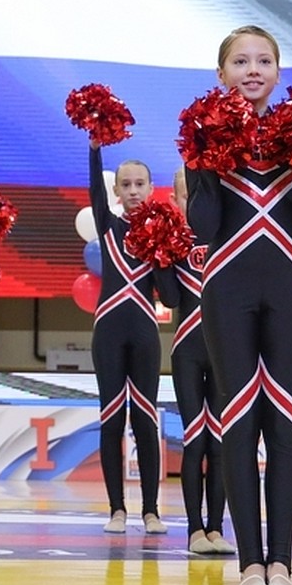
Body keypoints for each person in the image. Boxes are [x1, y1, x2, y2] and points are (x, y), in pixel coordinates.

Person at [185, 25, 292, 585]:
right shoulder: (204, 130)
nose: (253, 69)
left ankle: (283, 566)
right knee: (239, 421)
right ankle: (250, 565)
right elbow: (201, 224)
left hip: (290, 290)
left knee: (285, 423)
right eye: (240, 61)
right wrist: (205, 158)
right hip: (227, 290)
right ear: (221, 73)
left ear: (278, 71)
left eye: (264, 60)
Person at [88, 147, 179, 536]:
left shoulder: (159, 233)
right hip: (107, 329)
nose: (133, 190)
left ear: (151, 188)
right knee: (111, 419)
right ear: (116, 192)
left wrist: (161, 252)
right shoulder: (107, 225)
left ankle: (151, 511)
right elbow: (93, 187)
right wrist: (95, 147)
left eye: (140, 184)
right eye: (125, 185)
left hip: (144, 329)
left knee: (145, 418)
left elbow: (171, 298)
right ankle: (116, 509)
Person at [168, 168, 232, 556]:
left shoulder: (229, 234)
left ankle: (216, 528)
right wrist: (161, 258)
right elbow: (172, 300)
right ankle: (194, 529)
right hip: (187, 350)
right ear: (175, 201)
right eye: (185, 195)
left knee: (221, 444)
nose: (192, 200)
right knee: (195, 441)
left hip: (224, 349)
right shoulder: (172, 241)